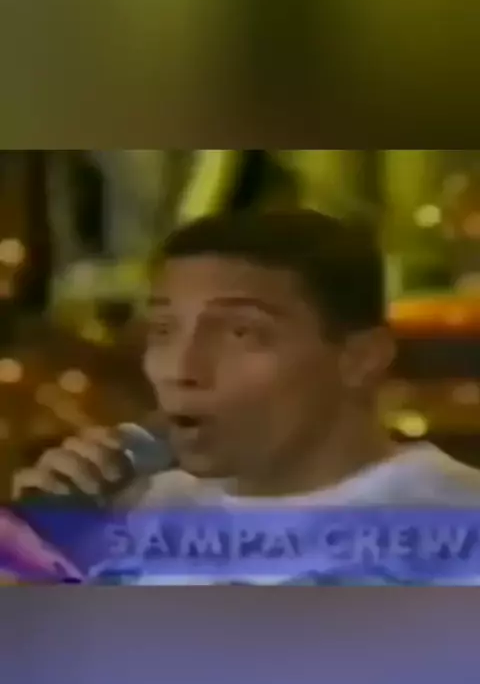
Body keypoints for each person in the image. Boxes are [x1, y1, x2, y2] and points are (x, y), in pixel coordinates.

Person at [13, 209, 480, 509]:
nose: (182, 370)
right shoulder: (137, 514)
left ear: (362, 358)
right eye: (163, 331)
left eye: (240, 333)